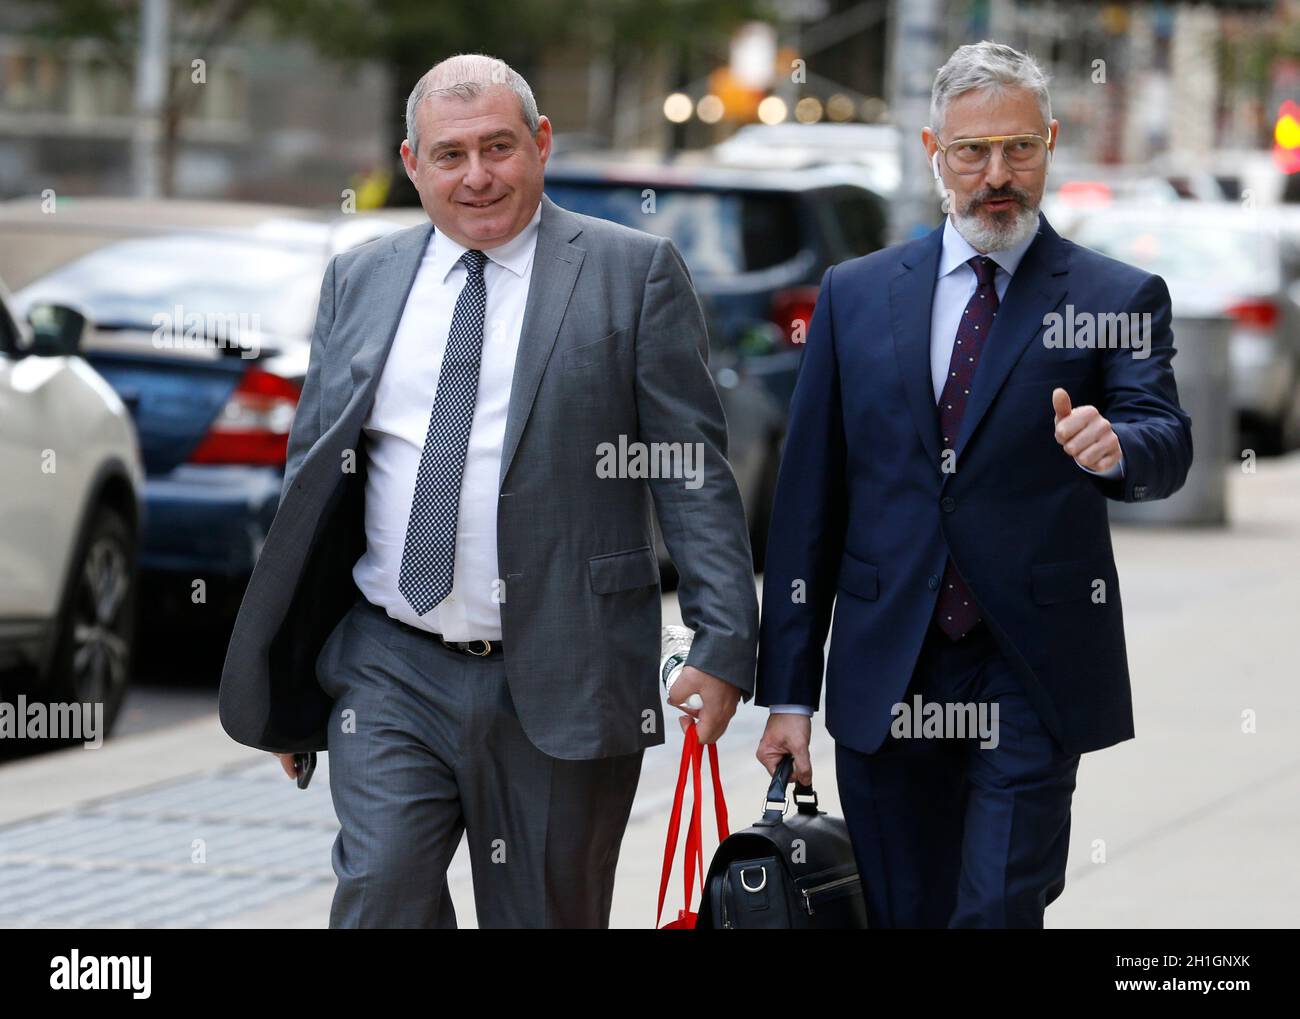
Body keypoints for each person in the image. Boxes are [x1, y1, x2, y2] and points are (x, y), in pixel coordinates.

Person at [218, 53, 758, 928]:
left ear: (541, 143)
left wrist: (724, 638)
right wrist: (290, 680)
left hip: (566, 669)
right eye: (451, 154)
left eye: (499, 147)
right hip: (388, 662)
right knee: (381, 893)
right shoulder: (361, 278)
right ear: (412, 163)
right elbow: (313, 486)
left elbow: (688, 468)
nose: (477, 176)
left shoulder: (633, 273)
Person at [754, 40, 1193, 928]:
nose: (998, 174)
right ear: (933, 150)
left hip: (1027, 666)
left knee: (996, 907)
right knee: (901, 909)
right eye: (972, 151)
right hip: (888, 667)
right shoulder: (855, 293)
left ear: (1051, 142)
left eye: (1019, 148)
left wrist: (1117, 447)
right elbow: (808, 504)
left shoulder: (1116, 293)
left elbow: (1166, 436)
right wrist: (789, 695)